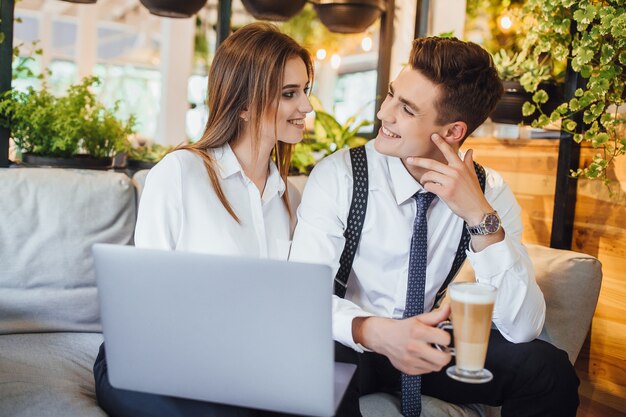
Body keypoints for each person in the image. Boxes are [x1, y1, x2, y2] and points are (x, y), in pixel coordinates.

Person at [289, 36, 580, 417]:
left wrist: (479, 218)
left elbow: (522, 328)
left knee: (548, 370)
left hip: (429, 345)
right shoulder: (340, 176)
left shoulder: (489, 191)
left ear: (454, 132)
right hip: (353, 341)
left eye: (406, 109)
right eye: (391, 95)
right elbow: (301, 302)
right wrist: (377, 332)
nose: (384, 114)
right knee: (311, 360)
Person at [93, 22, 313, 417]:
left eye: (305, 91)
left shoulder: (289, 199)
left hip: (238, 361)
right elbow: (146, 305)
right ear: (244, 105)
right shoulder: (180, 173)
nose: (307, 108)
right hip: (148, 353)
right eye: (289, 94)